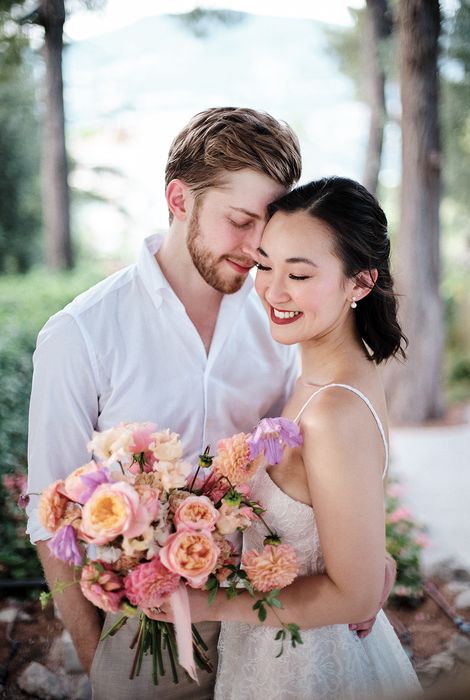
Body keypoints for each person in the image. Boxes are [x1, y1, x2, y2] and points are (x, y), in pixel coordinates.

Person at [26, 109, 392, 699]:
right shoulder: (81, 334)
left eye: (266, 228)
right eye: (240, 221)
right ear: (179, 199)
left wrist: (363, 554)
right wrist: (99, 660)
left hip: (278, 624)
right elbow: (50, 515)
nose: (255, 251)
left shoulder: (279, 315)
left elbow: (323, 452)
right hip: (147, 639)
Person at [168, 177, 422, 699]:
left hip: (308, 668)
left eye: (299, 274)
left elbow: (353, 599)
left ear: (360, 282)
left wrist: (201, 603)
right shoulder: (320, 374)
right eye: (265, 264)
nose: (273, 290)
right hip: (273, 650)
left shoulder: (332, 410)